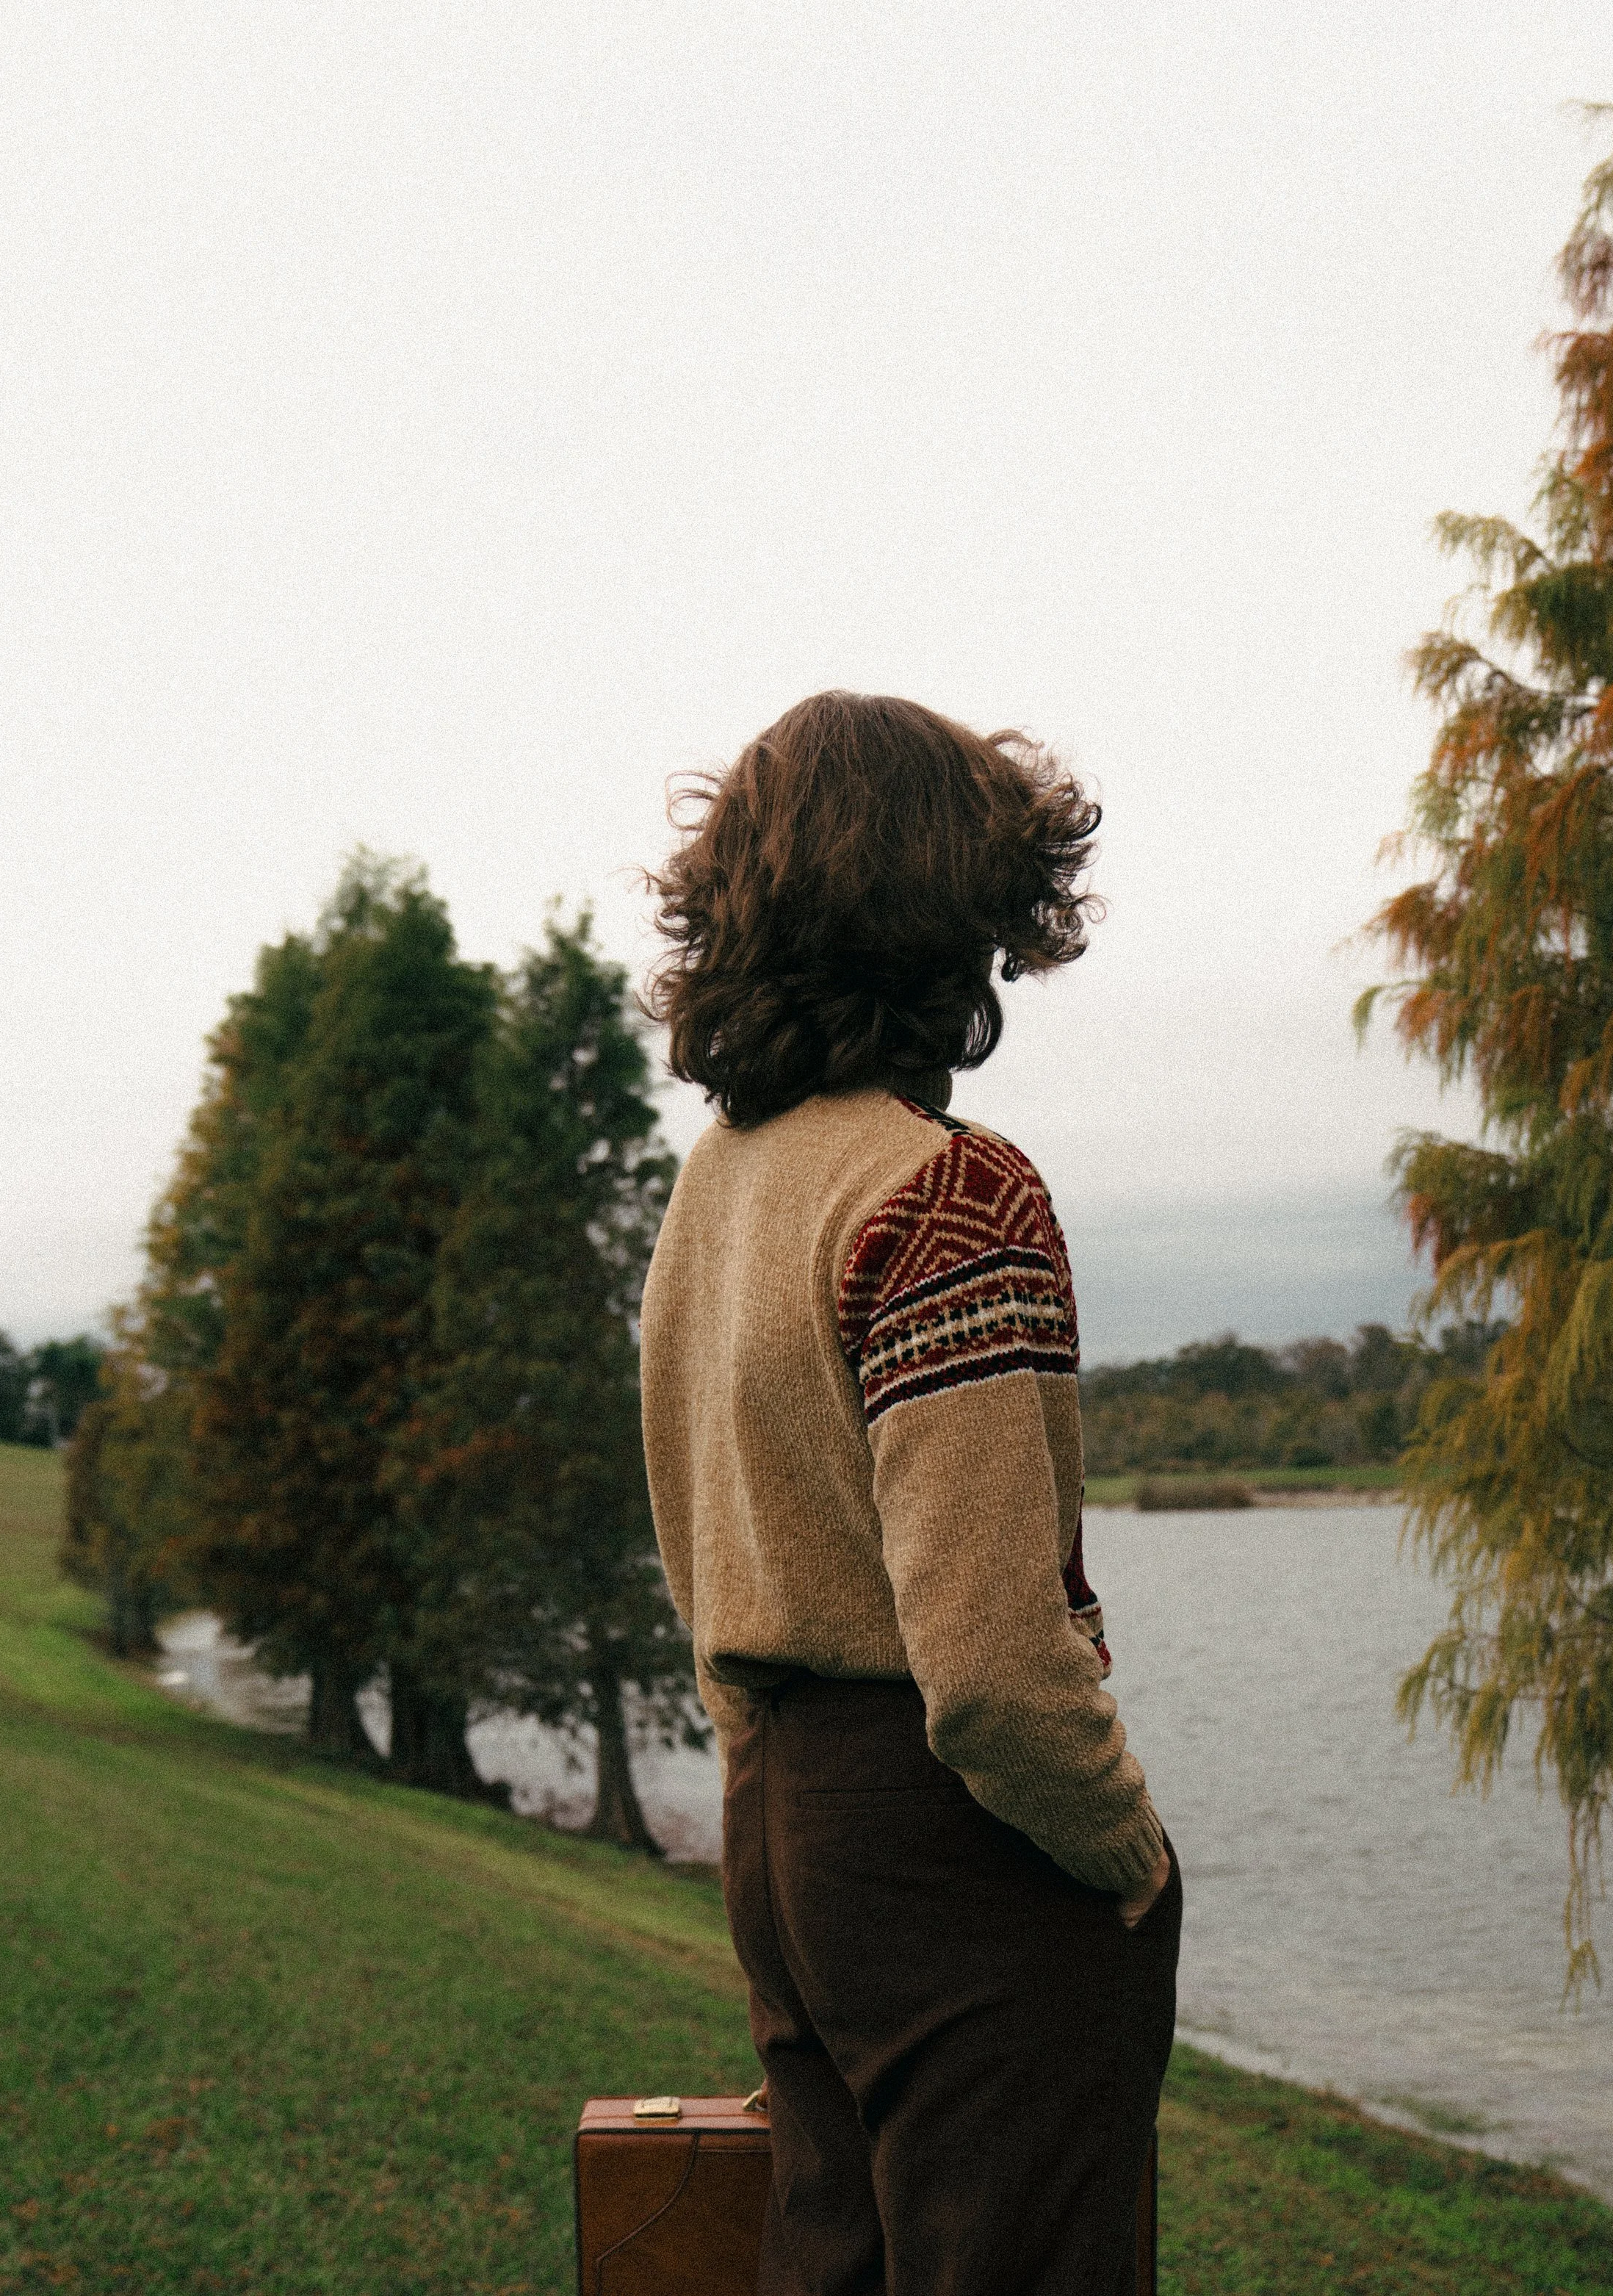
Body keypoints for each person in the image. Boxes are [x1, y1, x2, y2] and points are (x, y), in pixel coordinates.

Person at [640, 690, 1180, 2296]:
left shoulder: (718, 1182)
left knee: (840, 2265)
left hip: (779, 1815)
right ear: (951, 909)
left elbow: (701, 1542)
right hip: (952, 1841)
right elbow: (997, 1666)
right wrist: (1127, 1854)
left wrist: (769, 1784)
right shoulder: (945, 1187)